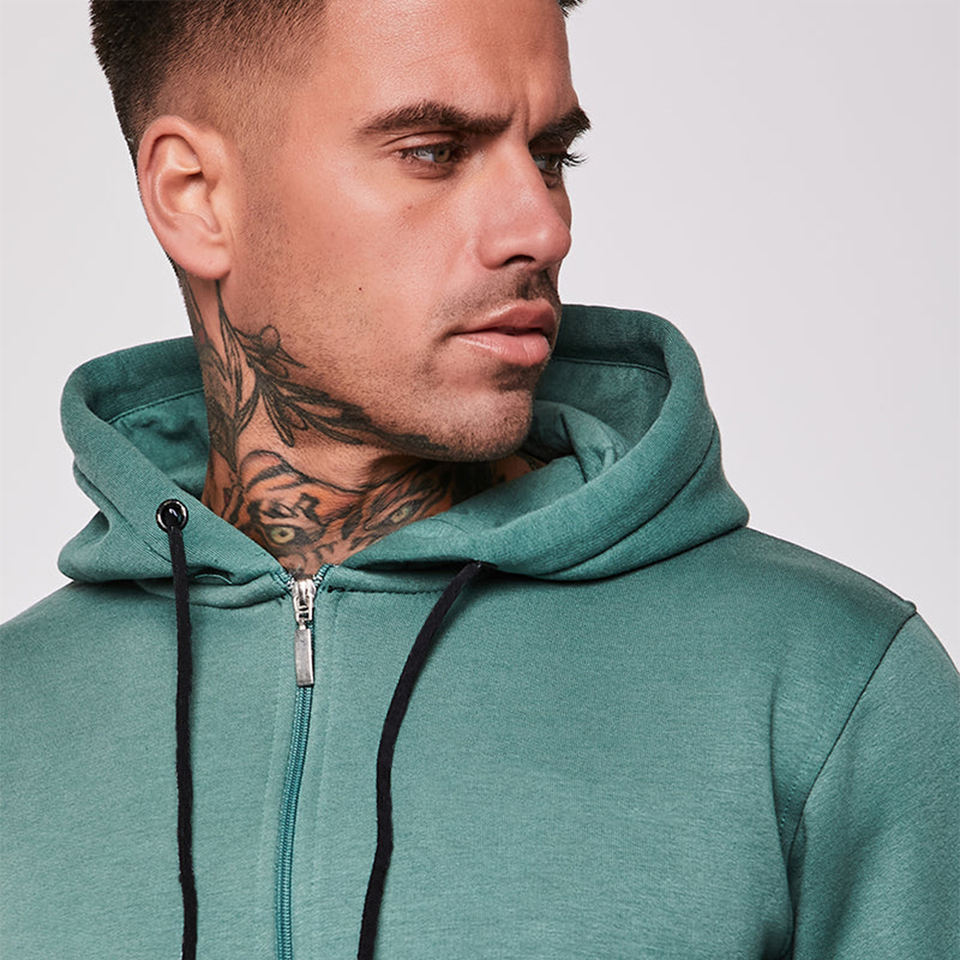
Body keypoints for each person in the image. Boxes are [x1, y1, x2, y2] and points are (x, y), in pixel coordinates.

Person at [1, 1, 956, 958]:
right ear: (196, 195)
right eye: (433, 151)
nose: (541, 228)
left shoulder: (829, 689)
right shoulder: (19, 716)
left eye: (550, 155)